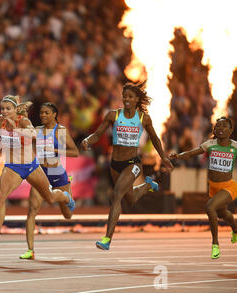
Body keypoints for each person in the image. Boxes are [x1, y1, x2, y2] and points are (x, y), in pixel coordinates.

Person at [0, 95, 75, 248]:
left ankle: (65, 197)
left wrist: (16, 128)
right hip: (13, 167)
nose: (4, 111)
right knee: (0, 196)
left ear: (15, 109)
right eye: (2, 108)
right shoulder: (1, 120)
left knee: (50, 198)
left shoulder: (23, 121)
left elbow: (33, 134)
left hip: (31, 166)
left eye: (8, 108)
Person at [81, 81, 174, 250]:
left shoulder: (143, 118)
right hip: (115, 163)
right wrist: (87, 140)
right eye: (124, 96)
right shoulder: (113, 115)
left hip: (133, 163)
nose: (127, 99)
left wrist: (164, 157)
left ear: (138, 99)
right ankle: (148, 186)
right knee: (129, 199)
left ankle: (107, 239)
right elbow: (97, 134)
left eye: (130, 96)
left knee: (116, 195)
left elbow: (154, 138)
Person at [170, 117, 237, 259]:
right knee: (223, 214)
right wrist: (178, 156)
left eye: (224, 126)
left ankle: (215, 244)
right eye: (218, 126)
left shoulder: (235, 146)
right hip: (213, 187)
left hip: (229, 187)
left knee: (210, 207)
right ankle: (236, 229)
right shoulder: (210, 144)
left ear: (231, 130)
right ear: (214, 130)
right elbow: (191, 153)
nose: (220, 129)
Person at [20, 102, 79, 260]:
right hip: (41, 173)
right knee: (32, 209)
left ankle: (66, 195)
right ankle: (30, 250)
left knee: (67, 215)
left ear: (54, 115)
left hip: (57, 173)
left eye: (46, 113)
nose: (43, 115)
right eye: (41, 113)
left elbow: (75, 152)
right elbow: (24, 124)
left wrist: (56, 150)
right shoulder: (37, 130)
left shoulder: (60, 131)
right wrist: (22, 111)